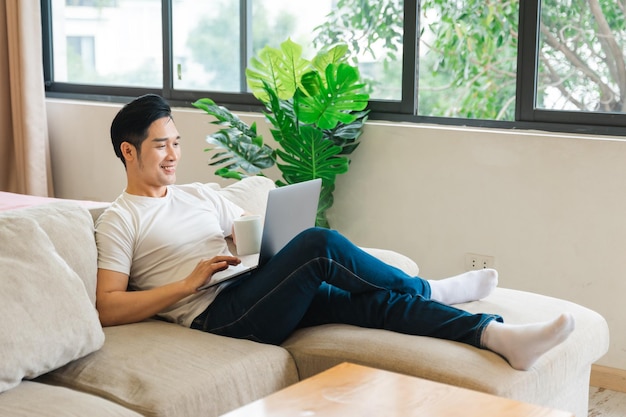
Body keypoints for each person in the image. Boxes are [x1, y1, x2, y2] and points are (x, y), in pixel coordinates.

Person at [95, 94, 575, 371]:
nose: (173, 154)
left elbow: (245, 239)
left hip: (250, 288)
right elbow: (108, 306)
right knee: (318, 244)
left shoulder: (199, 194)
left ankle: (496, 338)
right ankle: (431, 288)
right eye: (161, 145)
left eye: (177, 143)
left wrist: (256, 249)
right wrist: (186, 283)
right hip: (217, 316)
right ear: (130, 152)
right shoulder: (121, 218)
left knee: (374, 304)